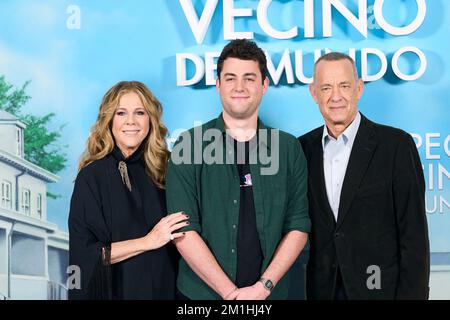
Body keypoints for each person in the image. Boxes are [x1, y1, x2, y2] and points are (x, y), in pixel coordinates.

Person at [166, 39, 310, 300]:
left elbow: (298, 226)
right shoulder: (188, 146)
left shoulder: (288, 148)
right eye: (230, 78)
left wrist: (263, 287)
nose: (240, 87)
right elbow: (183, 231)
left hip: (270, 295)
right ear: (218, 84)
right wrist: (232, 295)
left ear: (264, 85)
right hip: (202, 297)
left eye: (249, 78)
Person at [298, 52, 430, 299]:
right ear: (313, 93)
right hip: (320, 292)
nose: (335, 96)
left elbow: (414, 238)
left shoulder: (396, 145)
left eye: (344, 86)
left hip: (379, 291)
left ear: (358, 89)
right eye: (326, 87)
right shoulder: (301, 150)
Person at [69, 81, 188, 299]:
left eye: (140, 113)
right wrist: (148, 241)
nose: (131, 121)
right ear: (109, 121)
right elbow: (85, 253)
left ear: (150, 120)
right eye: (121, 113)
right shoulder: (91, 177)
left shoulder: (167, 171)